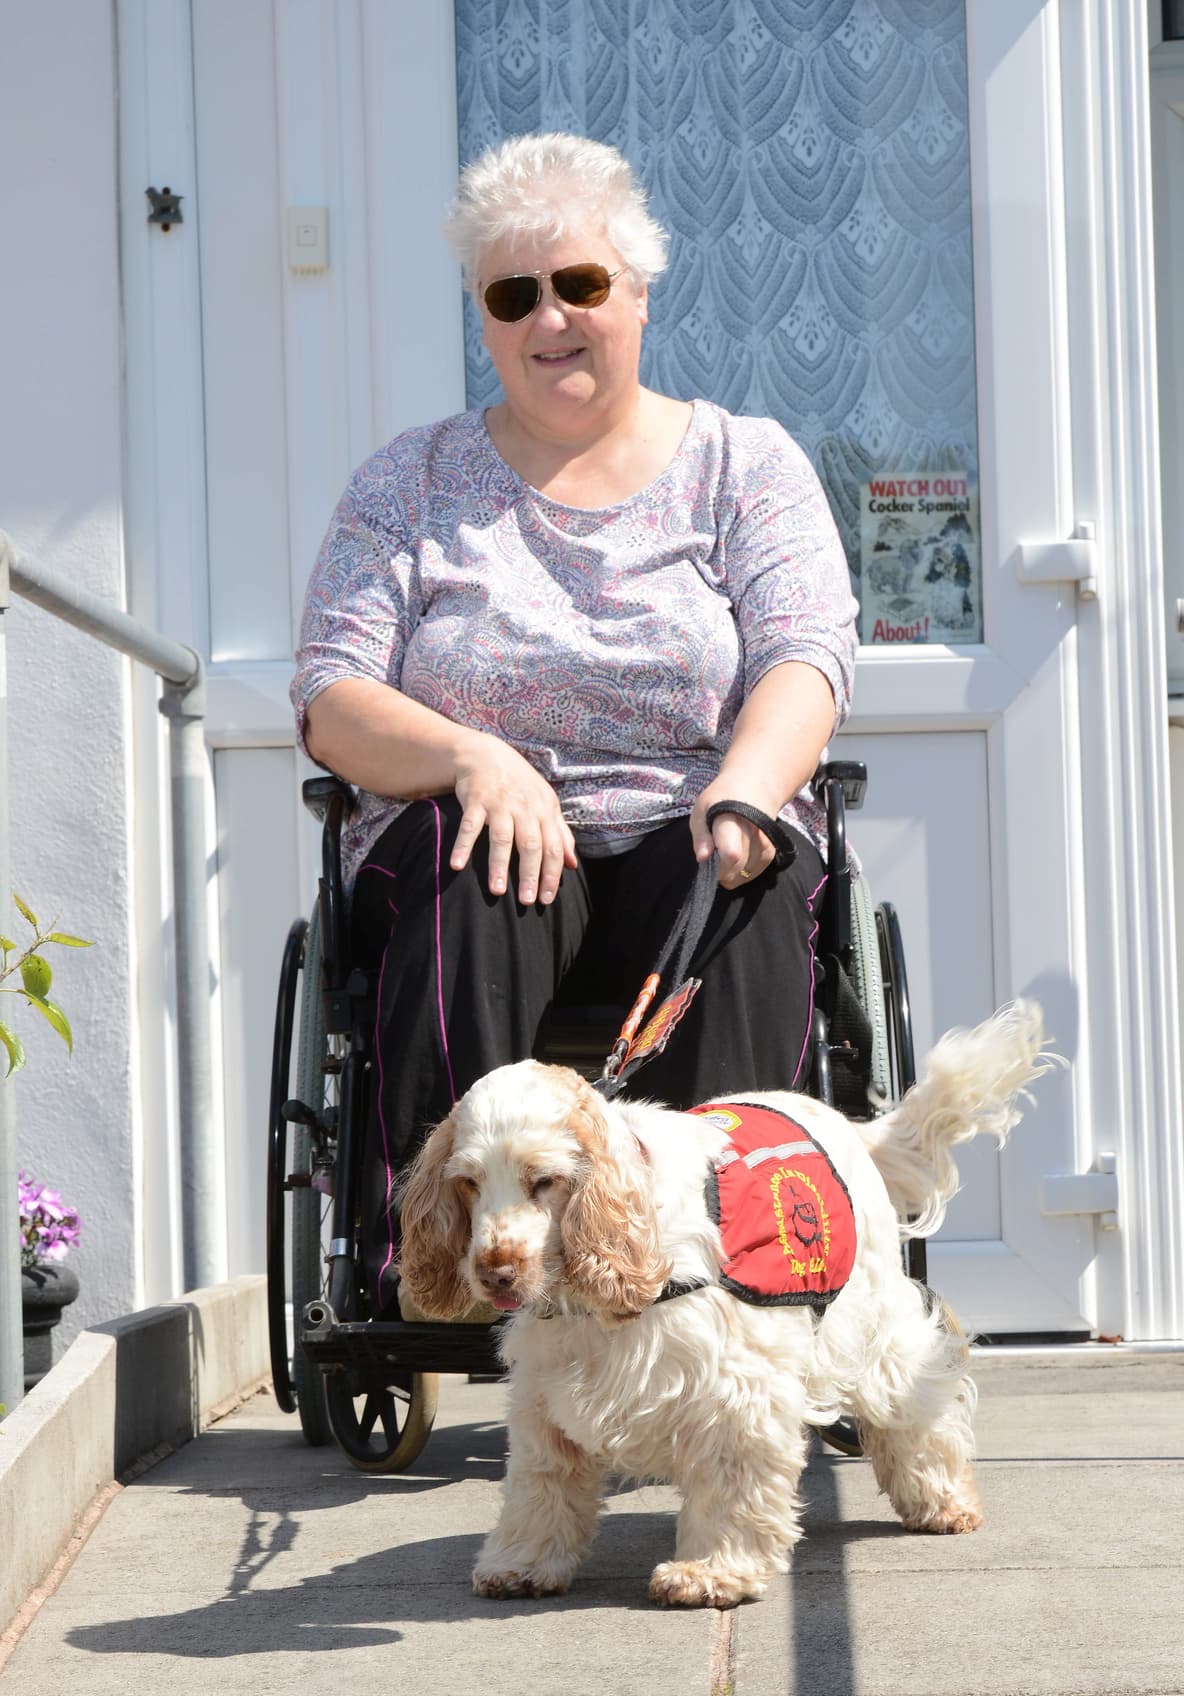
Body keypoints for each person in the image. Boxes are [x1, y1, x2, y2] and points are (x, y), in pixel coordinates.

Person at [291, 132, 858, 1314]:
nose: (550, 316)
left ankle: (732, 1267)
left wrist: (745, 790)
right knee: (475, 862)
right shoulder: (410, 481)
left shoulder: (741, 466)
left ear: (637, 292)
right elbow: (333, 694)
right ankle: (443, 1257)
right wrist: (469, 754)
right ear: (484, 317)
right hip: (486, 831)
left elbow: (804, 652)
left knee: (746, 889)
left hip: (688, 816)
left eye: (580, 284)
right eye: (513, 295)